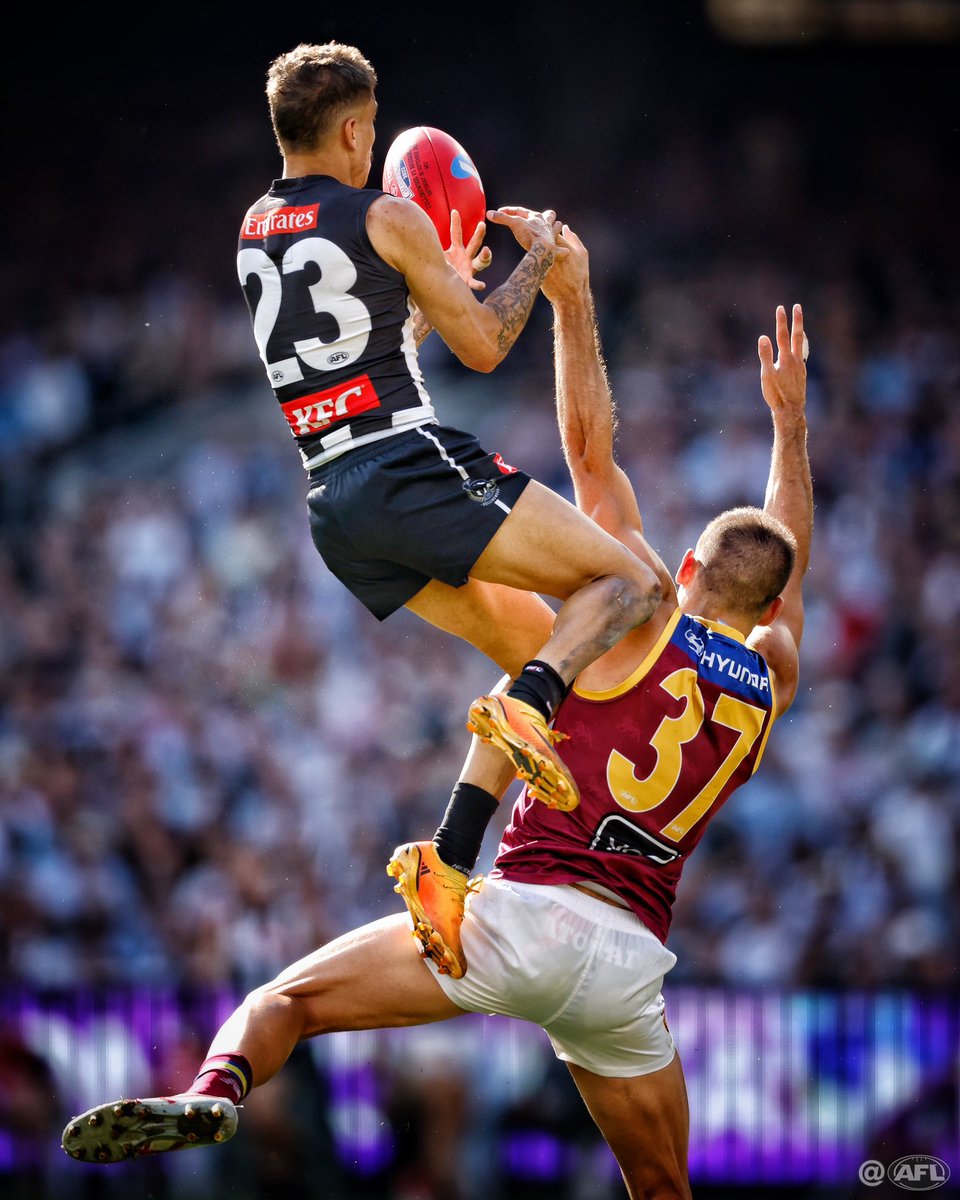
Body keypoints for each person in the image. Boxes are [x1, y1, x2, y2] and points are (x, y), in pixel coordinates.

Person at [61, 228, 812, 1200]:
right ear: (769, 610)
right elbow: (786, 569)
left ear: (689, 572)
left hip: (524, 915)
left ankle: (218, 1086)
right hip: (627, 967)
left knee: (285, 1000)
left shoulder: (641, 614)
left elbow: (590, 450)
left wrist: (571, 300)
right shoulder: (771, 681)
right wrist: (791, 434)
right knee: (665, 1190)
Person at [235, 42, 663, 812]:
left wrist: (433, 295)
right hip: (406, 466)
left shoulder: (256, 228)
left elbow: (359, 351)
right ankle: (522, 713)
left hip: (335, 507)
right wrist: (539, 261)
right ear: (355, 134)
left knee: (551, 655)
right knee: (632, 586)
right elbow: (487, 347)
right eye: (368, 128)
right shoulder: (387, 215)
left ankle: (455, 850)